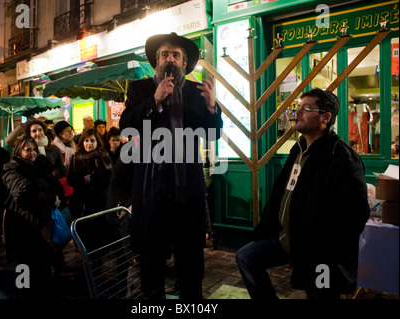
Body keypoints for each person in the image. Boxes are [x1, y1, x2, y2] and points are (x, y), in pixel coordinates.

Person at [235, 89, 370, 299]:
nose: (297, 113)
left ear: (325, 117)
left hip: (320, 252)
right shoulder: (298, 149)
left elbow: (355, 213)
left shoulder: (342, 157)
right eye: (297, 107)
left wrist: (326, 248)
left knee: (320, 294)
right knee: (246, 257)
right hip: (287, 239)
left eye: (306, 109)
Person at [119, 32, 223, 299]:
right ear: (156, 61)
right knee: (151, 258)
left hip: (187, 187)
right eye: (165, 54)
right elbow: (127, 126)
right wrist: (155, 100)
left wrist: (212, 108)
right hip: (150, 188)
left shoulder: (195, 90)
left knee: (190, 258)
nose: (170, 59)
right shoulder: (140, 89)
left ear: (185, 63)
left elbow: (212, 134)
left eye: (176, 55)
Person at [2, 135, 66, 296]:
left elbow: (56, 185)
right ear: (19, 151)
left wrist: (53, 194)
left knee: (42, 269)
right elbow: (22, 191)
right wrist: (50, 197)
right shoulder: (12, 167)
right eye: (27, 150)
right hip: (22, 225)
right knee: (23, 268)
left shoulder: (40, 166)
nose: (31, 153)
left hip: (43, 224)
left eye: (33, 149)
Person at [67, 129, 113, 219]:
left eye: (92, 140)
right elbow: (70, 179)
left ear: (97, 142)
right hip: (81, 203)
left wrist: (93, 179)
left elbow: (110, 176)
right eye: (86, 140)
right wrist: (83, 179)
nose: (89, 144)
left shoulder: (104, 156)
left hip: (100, 201)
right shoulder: (76, 157)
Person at [52, 120, 76, 202]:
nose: (71, 133)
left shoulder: (73, 146)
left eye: (71, 131)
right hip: (60, 185)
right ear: (59, 134)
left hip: (72, 183)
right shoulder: (53, 148)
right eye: (67, 131)